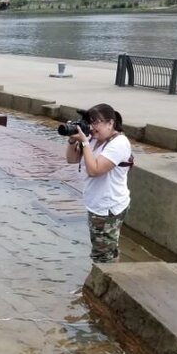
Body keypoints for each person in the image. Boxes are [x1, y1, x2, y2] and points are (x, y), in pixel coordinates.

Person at [65, 103, 133, 263]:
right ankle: (112, 281)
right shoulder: (96, 139)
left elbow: (94, 170)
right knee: (108, 249)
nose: (92, 127)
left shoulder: (119, 143)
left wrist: (85, 142)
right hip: (97, 204)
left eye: (96, 122)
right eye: (90, 122)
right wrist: (71, 141)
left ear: (110, 123)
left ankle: (98, 287)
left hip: (108, 207)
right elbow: (71, 159)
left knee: (102, 256)